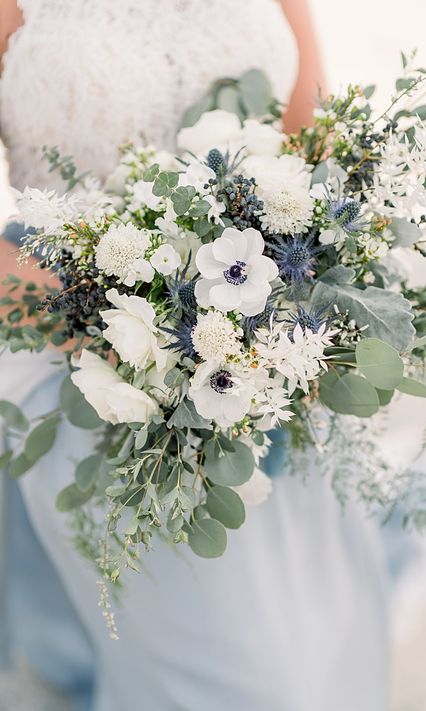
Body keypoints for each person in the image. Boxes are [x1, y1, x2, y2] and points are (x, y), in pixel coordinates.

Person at [0, 2, 389, 709]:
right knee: (237, 685)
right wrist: (135, 302)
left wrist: (295, 300)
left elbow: (315, 146)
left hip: (276, 357)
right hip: (90, 371)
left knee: (324, 638)